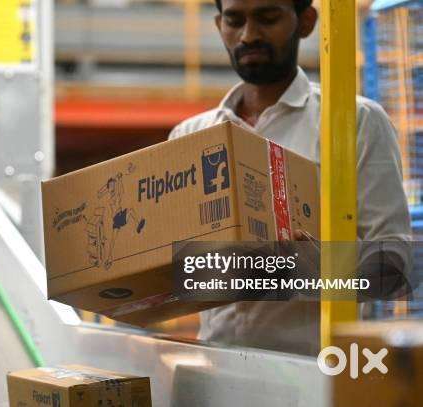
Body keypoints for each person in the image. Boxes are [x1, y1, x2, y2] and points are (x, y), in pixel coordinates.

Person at [168, 0, 412, 355]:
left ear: (307, 21)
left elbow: (395, 269)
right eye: (234, 20)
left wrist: (322, 269)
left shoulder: (355, 122)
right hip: (215, 368)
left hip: (315, 371)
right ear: (220, 25)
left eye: (267, 18)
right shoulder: (189, 136)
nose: (248, 35)